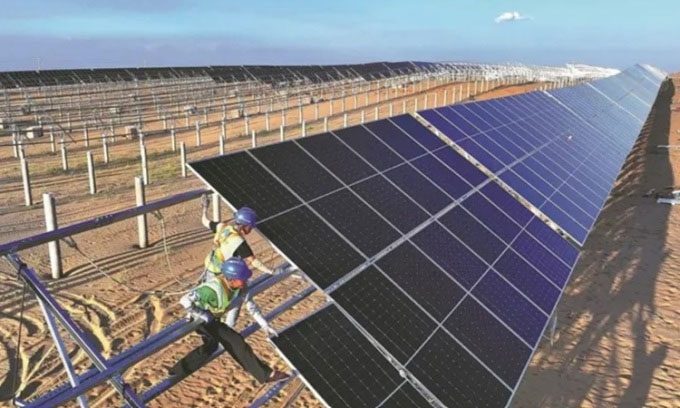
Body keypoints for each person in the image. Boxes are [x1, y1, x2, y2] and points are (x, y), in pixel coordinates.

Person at [171, 257, 287, 383]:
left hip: (212, 319)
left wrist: (264, 325)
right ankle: (266, 374)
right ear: (231, 279)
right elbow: (184, 300)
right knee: (235, 341)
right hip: (198, 320)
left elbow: (251, 306)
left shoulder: (241, 287)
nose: (246, 280)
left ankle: (176, 371)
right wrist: (202, 314)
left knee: (212, 346)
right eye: (242, 278)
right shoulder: (211, 289)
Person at [201, 198, 278, 330]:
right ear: (245, 225)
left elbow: (205, 221)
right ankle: (228, 328)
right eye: (251, 226)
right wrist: (272, 272)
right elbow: (254, 262)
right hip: (226, 274)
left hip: (209, 268)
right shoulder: (239, 242)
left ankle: (210, 324)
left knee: (211, 301)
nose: (252, 229)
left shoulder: (223, 227)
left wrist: (204, 208)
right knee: (238, 299)